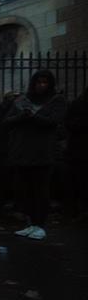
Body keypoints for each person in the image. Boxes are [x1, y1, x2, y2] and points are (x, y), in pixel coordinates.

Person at [5, 70, 67, 241]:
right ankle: (31, 223)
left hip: (43, 152)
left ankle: (40, 225)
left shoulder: (56, 100)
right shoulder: (22, 100)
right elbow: (7, 121)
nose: (41, 86)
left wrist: (33, 117)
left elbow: (54, 121)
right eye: (38, 82)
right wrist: (22, 116)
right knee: (25, 190)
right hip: (23, 151)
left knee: (41, 190)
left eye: (45, 82)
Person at [65, 86, 88, 216]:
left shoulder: (77, 103)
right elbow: (70, 124)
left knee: (79, 180)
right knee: (80, 180)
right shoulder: (78, 104)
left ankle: (78, 208)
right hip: (80, 150)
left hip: (78, 150)